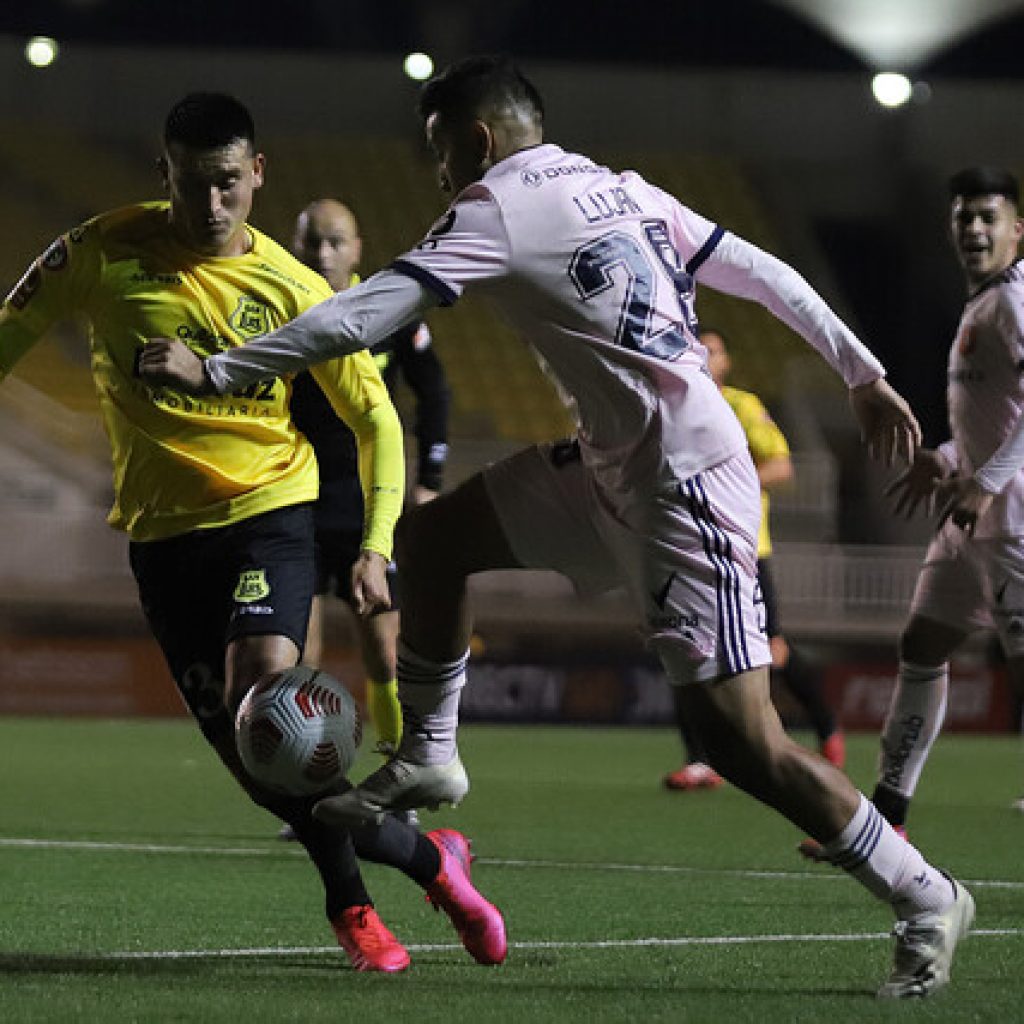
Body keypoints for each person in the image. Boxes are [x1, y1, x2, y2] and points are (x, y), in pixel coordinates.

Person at [139, 59, 973, 997]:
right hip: (617, 465)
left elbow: (368, 312)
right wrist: (860, 371)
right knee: (435, 540)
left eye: (441, 151)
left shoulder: (494, 205)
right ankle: (430, 754)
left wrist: (222, 370)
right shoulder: (619, 187)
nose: (439, 174)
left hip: (682, 487)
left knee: (745, 744)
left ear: (480, 141)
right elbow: (760, 270)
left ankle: (924, 893)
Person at [0, 91, 505, 972]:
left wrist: (379, 540)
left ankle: (352, 913)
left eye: (227, 183)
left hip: (269, 511)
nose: (209, 206)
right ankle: (432, 861)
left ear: (257, 175)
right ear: (165, 174)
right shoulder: (97, 249)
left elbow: (379, 421)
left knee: (267, 698)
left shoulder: (295, 288)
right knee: (255, 758)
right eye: (192, 184)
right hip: (162, 540)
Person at [867, 167, 1024, 829]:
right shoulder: (983, 302)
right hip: (971, 514)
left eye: (989, 217)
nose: (974, 230)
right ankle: (888, 812)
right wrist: (950, 459)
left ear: (1018, 229)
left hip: (1011, 517)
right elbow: (1001, 416)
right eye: (964, 217)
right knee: (923, 640)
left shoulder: (1015, 302)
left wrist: (985, 483)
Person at [290, 198, 451, 753]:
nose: (324, 253)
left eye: (335, 241)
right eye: (313, 241)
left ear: (357, 249)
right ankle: (305, 781)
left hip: (367, 509)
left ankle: (398, 773)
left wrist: (430, 477)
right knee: (296, 656)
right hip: (295, 503)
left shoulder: (391, 311)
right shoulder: (276, 311)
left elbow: (435, 394)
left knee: (384, 650)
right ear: (295, 247)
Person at [664, 326, 844, 791]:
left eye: (715, 350)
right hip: (691, 550)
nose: (705, 355)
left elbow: (781, 466)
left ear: (727, 363)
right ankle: (699, 761)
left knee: (775, 653)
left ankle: (826, 726)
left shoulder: (742, 407)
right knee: (684, 649)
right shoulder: (673, 406)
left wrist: (726, 484)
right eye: (697, 347)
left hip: (745, 551)